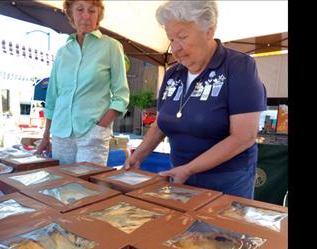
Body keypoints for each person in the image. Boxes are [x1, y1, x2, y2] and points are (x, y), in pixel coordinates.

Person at [124, 0, 266, 199]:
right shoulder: (173, 74)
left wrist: (190, 169)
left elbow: (244, 137)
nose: (175, 49)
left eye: (182, 37)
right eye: (171, 39)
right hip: (180, 176)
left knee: (220, 231)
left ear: (209, 30)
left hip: (226, 182)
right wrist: (138, 155)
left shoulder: (239, 67)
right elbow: (162, 123)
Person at [36, 0, 129, 166]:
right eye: (79, 10)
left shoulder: (111, 47)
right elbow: (52, 99)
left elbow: (121, 96)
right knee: (62, 187)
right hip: (60, 134)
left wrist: (100, 127)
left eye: (91, 11)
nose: (85, 16)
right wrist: (46, 136)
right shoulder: (62, 53)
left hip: (92, 133)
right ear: (70, 14)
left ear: (98, 15)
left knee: (88, 187)